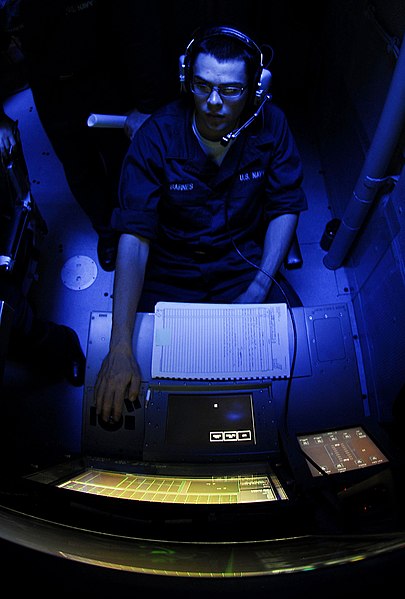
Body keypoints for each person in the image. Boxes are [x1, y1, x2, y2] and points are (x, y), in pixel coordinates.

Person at [95, 25, 307, 422]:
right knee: (143, 381)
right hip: (170, 266)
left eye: (230, 90)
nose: (212, 102)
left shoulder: (272, 126)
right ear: (185, 81)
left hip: (241, 261)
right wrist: (120, 346)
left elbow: (285, 205)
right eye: (201, 85)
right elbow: (135, 236)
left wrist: (259, 287)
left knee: (292, 364)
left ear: (255, 91)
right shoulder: (156, 136)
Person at [0, 0, 176, 271]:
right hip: (49, 85)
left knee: (125, 159)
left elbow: (139, 29)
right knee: (77, 165)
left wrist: (148, 105)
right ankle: (106, 230)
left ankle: (132, 226)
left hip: (105, 72)